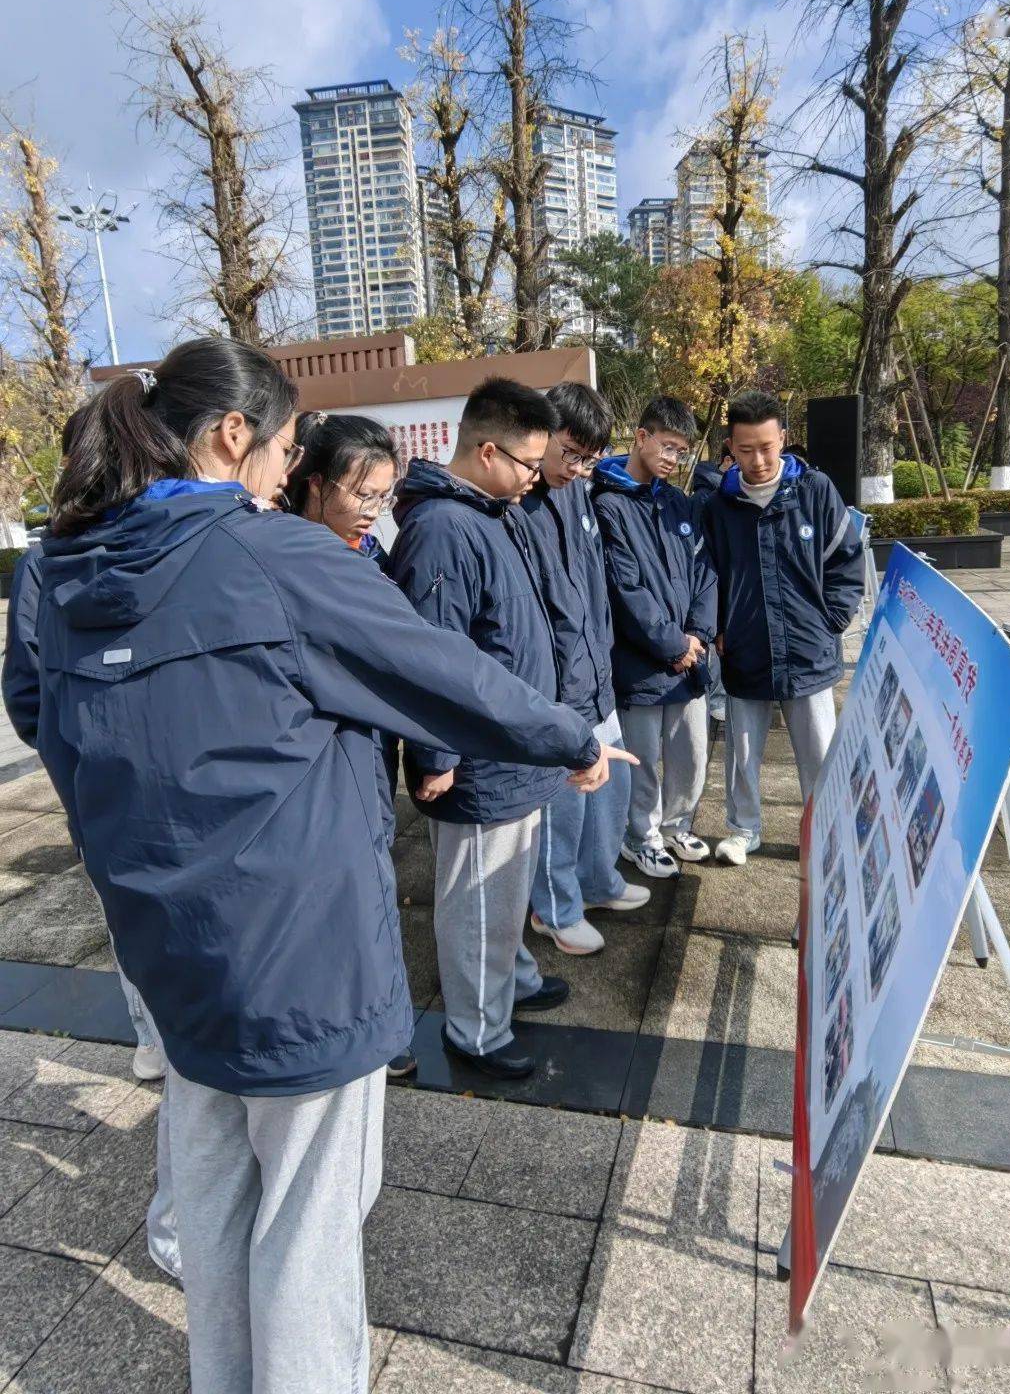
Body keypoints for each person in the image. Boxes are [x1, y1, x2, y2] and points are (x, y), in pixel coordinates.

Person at [32, 338, 627, 1394]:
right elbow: (445, 673)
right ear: (231, 436)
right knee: (309, 1228)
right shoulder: (268, 558)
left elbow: (52, 731)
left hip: (172, 952)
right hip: (301, 956)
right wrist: (573, 740)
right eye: (286, 444)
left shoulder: (70, 568)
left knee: (213, 1215)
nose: (287, 466)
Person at [389, 378, 635, 1080]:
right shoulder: (441, 529)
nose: (538, 477)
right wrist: (436, 755)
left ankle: (515, 980)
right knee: (476, 905)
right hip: (476, 761)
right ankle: (474, 1031)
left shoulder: (492, 510)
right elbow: (433, 658)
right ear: (487, 450)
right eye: (530, 463)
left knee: (506, 893)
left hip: (514, 751)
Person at [2, 418, 181, 1285]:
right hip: (108, 793)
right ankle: (149, 1032)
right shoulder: (49, 563)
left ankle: (158, 1033)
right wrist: (78, 769)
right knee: (127, 917)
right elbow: (29, 693)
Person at [283, 410, 418, 1079]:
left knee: (373, 881)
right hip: (313, 770)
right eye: (362, 495)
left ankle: (378, 1025)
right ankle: (355, 1033)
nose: (374, 511)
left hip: (368, 755)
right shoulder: (284, 560)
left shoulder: (368, 554)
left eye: (384, 497)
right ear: (312, 481)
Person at [511, 382, 649, 956]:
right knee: (561, 806)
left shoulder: (578, 493)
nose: (577, 467)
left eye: (589, 458)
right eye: (569, 453)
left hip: (596, 676)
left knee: (610, 792)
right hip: (556, 689)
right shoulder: (519, 504)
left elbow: (592, 588)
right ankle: (555, 908)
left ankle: (599, 881)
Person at [699, 390, 864, 866]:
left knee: (819, 751)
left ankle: (826, 832)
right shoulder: (719, 505)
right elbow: (707, 576)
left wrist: (830, 621)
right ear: (730, 446)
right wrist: (716, 629)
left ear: (784, 440)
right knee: (742, 750)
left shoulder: (814, 491)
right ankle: (743, 829)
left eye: (767, 447)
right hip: (745, 647)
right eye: (746, 449)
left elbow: (846, 561)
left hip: (809, 650)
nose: (758, 459)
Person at [591, 396, 717, 880]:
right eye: (667, 446)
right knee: (641, 761)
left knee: (691, 751)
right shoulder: (608, 505)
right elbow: (625, 591)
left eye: (681, 451)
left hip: (690, 659)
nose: (672, 458)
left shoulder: (678, 502)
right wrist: (673, 645)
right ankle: (640, 837)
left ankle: (678, 824)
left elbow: (705, 571)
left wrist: (699, 636)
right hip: (642, 663)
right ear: (640, 437)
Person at [690, 444, 735, 731]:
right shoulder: (705, 499)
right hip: (710, 584)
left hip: (726, 586)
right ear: (728, 460)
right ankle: (716, 697)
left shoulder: (732, 493)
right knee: (711, 642)